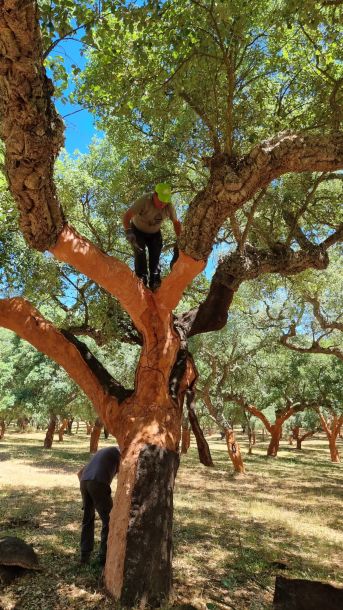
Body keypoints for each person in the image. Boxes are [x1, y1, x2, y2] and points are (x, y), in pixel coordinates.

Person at [123, 182, 182, 291]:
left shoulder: (169, 206)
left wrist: (180, 240)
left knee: (155, 256)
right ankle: (142, 280)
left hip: (155, 234)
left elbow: (176, 223)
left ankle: (155, 282)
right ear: (155, 195)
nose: (163, 204)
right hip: (137, 231)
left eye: (165, 201)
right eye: (161, 200)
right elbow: (127, 216)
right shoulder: (144, 200)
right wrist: (128, 232)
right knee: (139, 253)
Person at [77, 445, 120, 566]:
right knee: (109, 520)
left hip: (84, 482)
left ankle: (84, 557)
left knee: (88, 519)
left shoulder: (104, 451)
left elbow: (79, 473)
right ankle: (103, 557)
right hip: (98, 482)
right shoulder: (121, 453)